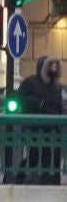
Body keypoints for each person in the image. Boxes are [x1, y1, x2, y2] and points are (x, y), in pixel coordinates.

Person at [17, 56, 63, 185]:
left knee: (49, 160)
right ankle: (19, 180)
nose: (53, 69)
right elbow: (20, 98)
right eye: (51, 66)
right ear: (43, 68)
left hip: (51, 131)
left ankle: (48, 185)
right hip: (33, 130)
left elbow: (59, 106)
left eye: (55, 66)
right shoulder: (30, 83)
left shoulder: (56, 87)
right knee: (32, 157)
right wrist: (39, 103)